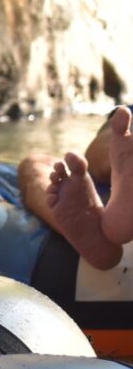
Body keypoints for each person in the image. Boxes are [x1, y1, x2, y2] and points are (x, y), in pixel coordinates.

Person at [19, 106, 133, 270]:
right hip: (106, 195)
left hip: (102, 194)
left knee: (37, 162)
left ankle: (96, 235)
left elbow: (93, 155)